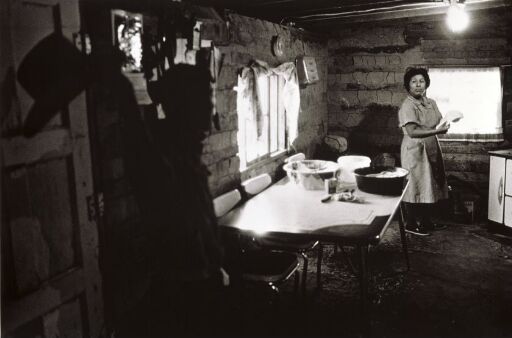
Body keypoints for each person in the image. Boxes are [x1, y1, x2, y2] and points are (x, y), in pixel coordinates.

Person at [398, 67, 450, 236]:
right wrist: (436, 132)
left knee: (430, 185)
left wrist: (446, 123)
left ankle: (427, 222)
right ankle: (411, 224)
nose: (418, 85)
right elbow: (412, 131)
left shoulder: (431, 103)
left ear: (426, 83)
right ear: (408, 86)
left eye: (421, 81)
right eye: (414, 82)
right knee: (415, 186)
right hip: (414, 149)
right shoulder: (407, 106)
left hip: (431, 147)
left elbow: (439, 120)